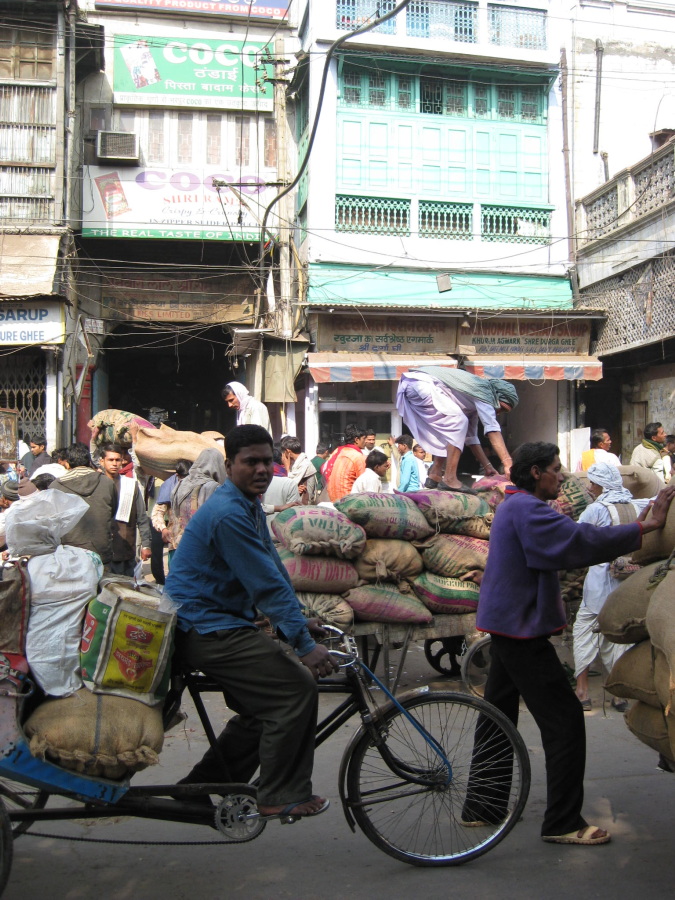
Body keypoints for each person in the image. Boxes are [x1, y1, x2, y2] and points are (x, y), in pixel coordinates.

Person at [467, 441, 675, 845]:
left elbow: (576, 537)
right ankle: (562, 822)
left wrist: (638, 527)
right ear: (535, 473)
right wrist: (645, 528)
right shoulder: (528, 510)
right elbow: (578, 541)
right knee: (564, 721)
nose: (561, 476)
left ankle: (482, 806)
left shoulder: (514, 505)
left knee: (497, 716)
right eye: (555, 469)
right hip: (521, 629)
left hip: (507, 625)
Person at [166, 424, 338, 818]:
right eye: (250, 462)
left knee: (263, 708)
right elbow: (264, 585)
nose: (261, 469)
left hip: (222, 621)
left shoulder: (247, 504)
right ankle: (279, 795)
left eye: (266, 461)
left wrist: (299, 622)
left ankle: (200, 786)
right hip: (205, 626)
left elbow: (274, 569)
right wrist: (304, 646)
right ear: (229, 466)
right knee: (296, 689)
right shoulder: (229, 512)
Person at [573, 462, 650, 712]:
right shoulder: (636, 505)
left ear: (601, 485)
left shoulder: (595, 510)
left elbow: (577, 538)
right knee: (619, 635)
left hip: (599, 583)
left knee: (585, 631)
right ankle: (618, 694)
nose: (589, 487)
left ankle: (582, 691)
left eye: (593, 483)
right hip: (627, 583)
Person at [396, 366, 517, 493]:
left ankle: (435, 474)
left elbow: (471, 439)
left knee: (452, 426)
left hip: (414, 385)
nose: (498, 413)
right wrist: (508, 463)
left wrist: (488, 466)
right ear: (497, 397)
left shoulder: (472, 402)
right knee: (458, 421)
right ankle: (450, 479)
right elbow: (493, 430)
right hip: (420, 385)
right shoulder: (485, 394)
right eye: (502, 408)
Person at [49, 444, 116, 565]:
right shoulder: (107, 483)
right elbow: (113, 511)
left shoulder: (55, 487)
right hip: (100, 551)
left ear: (67, 464)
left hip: (68, 552)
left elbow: (51, 520)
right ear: (89, 462)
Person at [99, 442, 152, 578]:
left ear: (122, 461)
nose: (114, 463)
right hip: (102, 551)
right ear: (102, 461)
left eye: (117, 460)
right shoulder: (96, 485)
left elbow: (141, 517)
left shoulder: (130, 485)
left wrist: (146, 544)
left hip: (125, 548)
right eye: (110, 460)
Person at [170, 448, 226, 549]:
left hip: (182, 545)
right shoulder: (214, 488)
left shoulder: (180, 484)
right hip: (204, 547)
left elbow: (175, 512)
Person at [151, 459, 191, 577]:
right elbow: (157, 512)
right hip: (175, 542)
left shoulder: (198, 486)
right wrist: (163, 529)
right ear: (177, 475)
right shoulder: (169, 486)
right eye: (183, 478)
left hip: (193, 542)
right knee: (176, 575)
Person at [262, 446, 301, 538]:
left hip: (258, 537)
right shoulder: (289, 483)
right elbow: (294, 516)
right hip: (282, 538)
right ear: (282, 459)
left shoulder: (253, 482)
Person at [322, 424, 367, 501]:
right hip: (349, 500)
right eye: (364, 438)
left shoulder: (337, 451)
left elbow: (325, 469)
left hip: (332, 498)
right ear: (356, 440)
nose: (366, 441)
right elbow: (363, 483)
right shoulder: (358, 456)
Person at [280, 436, 318, 505]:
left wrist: (287, 468)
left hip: (304, 504)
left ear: (288, 451)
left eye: (283, 452)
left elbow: (290, 483)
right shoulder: (295, 463)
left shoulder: (304, 464)